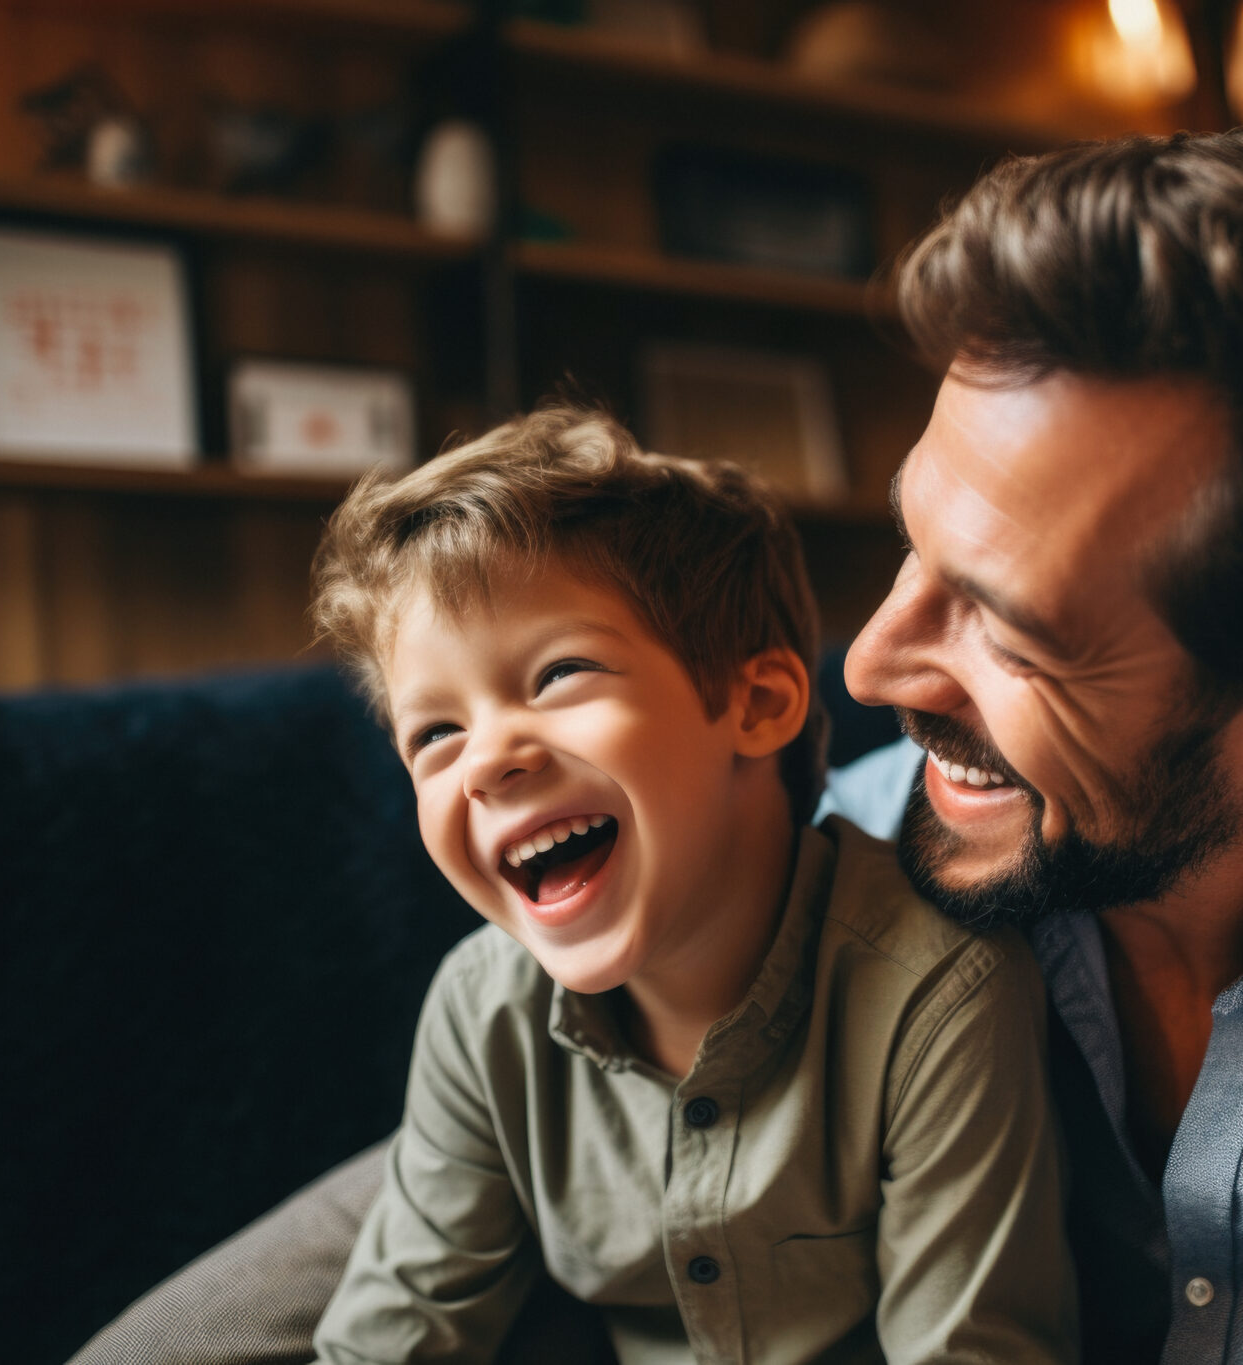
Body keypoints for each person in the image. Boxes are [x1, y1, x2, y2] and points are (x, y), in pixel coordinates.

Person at [74, 126, 1243, 1365]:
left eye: (999, 624)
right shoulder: (852, 864)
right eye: (906, 546)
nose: (865, 662)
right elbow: (356, 1258)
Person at [291, 407, 1075, 1364]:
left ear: (756, 703)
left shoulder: (939, 990)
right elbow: (394, 1336)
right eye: (435, 734)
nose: (486, 760)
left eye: (559, 673)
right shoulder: (479, 1009)